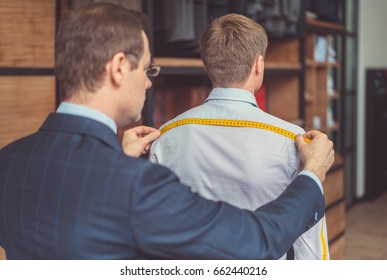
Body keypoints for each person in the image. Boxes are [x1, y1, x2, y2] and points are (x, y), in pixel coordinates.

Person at [0, 3, 334, 260]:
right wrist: (312, 173)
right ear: (119, 68)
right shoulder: (135, 185)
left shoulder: (9, 162)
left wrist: (117, 159)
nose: (148, 81)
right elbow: (258, 241)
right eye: (147, 68)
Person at [150, 14, 330, 260]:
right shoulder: (295, 141)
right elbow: (308, 241)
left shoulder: (164, 136)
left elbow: (157, 226)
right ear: (259, 64)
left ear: (206, 64)